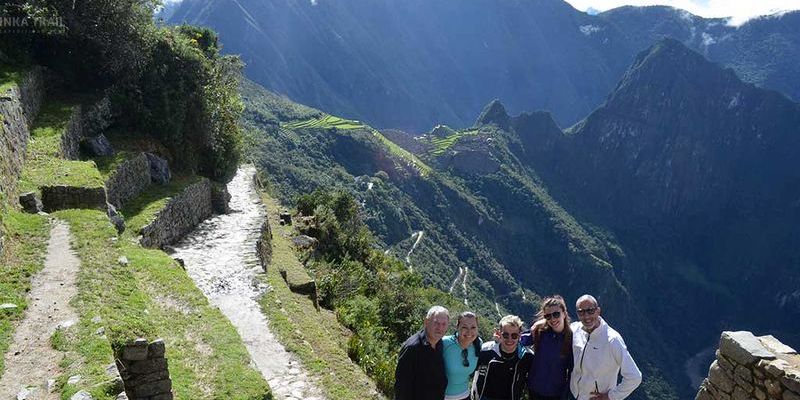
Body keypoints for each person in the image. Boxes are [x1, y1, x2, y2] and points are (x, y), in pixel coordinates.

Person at [570, 294, 642, 400]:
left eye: (590, 311)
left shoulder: (612, 340)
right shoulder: (574, 330)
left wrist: (611, 397)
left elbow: (635, 377)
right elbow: (556, 324)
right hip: (572, 395)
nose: (586, 316)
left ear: (598, 311)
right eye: (581, 312)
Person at [520, 295, 574, 399]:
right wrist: (501, 340)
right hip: (534, 389)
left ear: (564, 314)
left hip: (555, 394)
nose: (553, 319)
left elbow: (572, 371)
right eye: (548, 316)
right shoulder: (540, 333)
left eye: (556, 314)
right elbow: (519, 341)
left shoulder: (571, 340)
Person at [471, 315, 533, 400]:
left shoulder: (527, 356)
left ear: (519, 335)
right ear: (499, 333)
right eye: (505, 335)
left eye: (514, 335)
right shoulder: (486, 350)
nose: (509, 339)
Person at [395, 305, 450, 400]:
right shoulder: (412, 348)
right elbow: (402, 387)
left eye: (444, 324)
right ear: (426, 322)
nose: (440, 328)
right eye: (436, 323)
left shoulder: (439, 343)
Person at [442, 311, 482, 400]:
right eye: (464, 327)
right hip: (443, 396)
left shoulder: (478, 344)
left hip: (465, 396)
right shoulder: (445, 343)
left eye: (473, 327)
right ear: (457, 327)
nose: (469, 332)